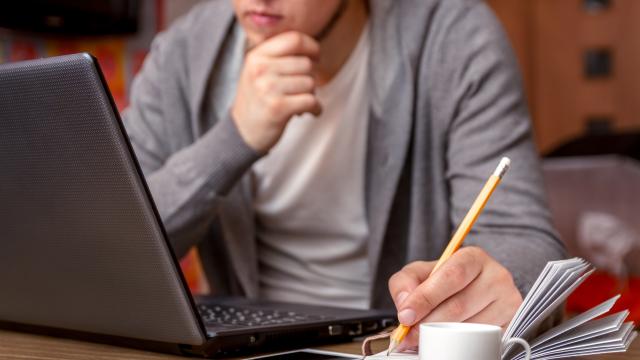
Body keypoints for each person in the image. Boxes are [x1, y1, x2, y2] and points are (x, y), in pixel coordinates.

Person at [123, 0, 565, 349]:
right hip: (249, 351)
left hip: (391, 347)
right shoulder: (183, 53)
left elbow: (526, 242)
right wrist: (234, 139)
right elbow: (113, 242)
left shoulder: (454, 37)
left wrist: (500, 282)